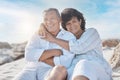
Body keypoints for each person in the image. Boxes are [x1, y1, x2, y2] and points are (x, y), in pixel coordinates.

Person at [38, 8, 112, 80]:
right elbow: (52, 26)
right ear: (65, 26)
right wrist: (41, 26)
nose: (72, 25)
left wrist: (53, 39)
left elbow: (78, 47)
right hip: (73, 72)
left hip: (97, 71)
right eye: (68, 23)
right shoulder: (65, 39)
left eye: (74, 21)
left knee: (83, 64)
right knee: (59, 70)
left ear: (80, 21)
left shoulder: (91, 32)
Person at [13, 8, 76, 80]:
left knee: (60, 69)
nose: (49, 22)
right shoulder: (38, 34)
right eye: (46, 19)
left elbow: (65, 63)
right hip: (31, 69)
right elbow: (28, 55)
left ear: (59, 20)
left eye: (52, 18)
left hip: (49, 70)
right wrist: (54, 52)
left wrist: (39, 57)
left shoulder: (68, 36)